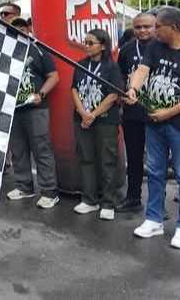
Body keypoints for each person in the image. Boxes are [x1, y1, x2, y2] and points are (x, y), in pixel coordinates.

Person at [127, 6, 180, 249]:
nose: (153, 31)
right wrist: (133, 88)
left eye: (158, 27)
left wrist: (170, 112)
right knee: (155, 171)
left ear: (173, 28)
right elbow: (143, 70)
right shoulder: (156, 46)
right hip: (154, 121)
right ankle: (154, 220)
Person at [7, 18, 61, 209]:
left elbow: (54, 76)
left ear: (28, 29)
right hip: (13, 109)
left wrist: (41, 94)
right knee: (18, 149)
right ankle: (24, 186)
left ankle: (49, 191)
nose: (19, 32)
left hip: (36, 109)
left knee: (41, 149)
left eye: (22, 28)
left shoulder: (39, 50)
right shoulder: (5, 50)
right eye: (14, 29)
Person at [71, 28, 124, 221]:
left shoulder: (112, 67)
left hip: (105, 121)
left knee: (107, 161)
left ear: (102, 46)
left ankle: (108, 202)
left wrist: (93, 114)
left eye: (90, 43)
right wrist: (82, 113)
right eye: (85, 42)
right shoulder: (80, 64)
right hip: (82, 120)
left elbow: (113, 95)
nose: (86, 46)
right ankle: (89, 199)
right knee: (86, 159)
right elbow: (74, 89)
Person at [116, 12, 156, 213]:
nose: (142, 30)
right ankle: (133, 198)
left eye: (147, 26)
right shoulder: (127, 49)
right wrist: (122, 93)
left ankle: (157, 203)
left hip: (157, 112)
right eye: (138, 27)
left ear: (156, 26)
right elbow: (120, 75)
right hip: (132, 112)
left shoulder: (164, 47)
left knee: (157, 161)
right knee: (134, 158)